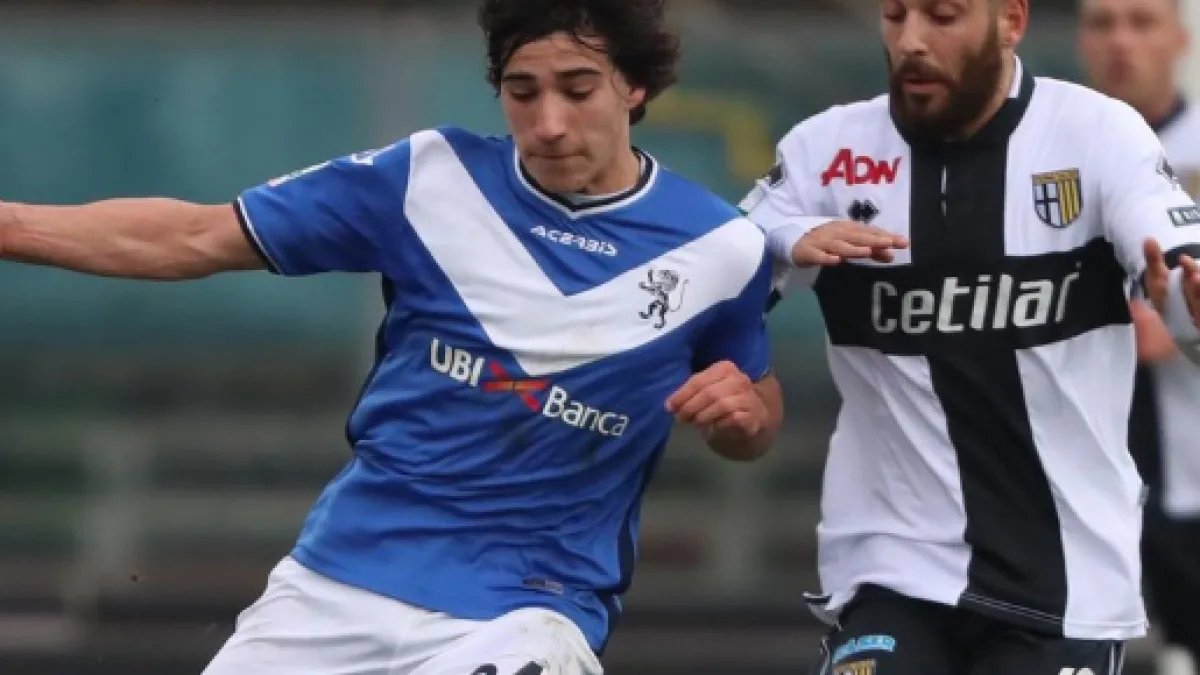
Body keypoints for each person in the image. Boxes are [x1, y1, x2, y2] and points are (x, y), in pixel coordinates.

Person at [0, 1, 785, 673]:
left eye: (578, 90)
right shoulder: (428, 177)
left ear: (633, 86)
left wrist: (745, 416)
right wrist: (10, 226)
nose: (548, 122)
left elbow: (753, 410)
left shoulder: (723, 248)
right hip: (339, 580)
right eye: (522, 92)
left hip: (528, 607)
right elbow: (195, 235)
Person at [739, 0, 1200, 673]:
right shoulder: (824, 151)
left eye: (943, 15)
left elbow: (1176, 260)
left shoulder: (1097, 133)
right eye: (895, 15)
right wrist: (783, 240)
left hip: (1063, 583)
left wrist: (1187, 303)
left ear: (1010, 21)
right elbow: (718, 272)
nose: (911, 40)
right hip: (889, 570)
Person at [1079, 2, 1200, 674]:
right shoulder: (1046, 156)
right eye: (1103, 24)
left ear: (1179, 39)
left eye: (1141, 22)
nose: (1121, 41)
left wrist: (1175, 319)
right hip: (1075, 462)